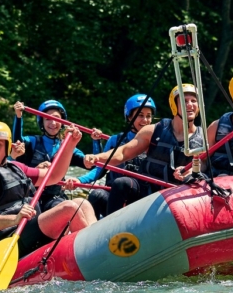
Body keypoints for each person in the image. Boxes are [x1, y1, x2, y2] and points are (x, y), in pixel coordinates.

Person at [0, 122, 96, 257]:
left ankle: (98, 243)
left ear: (7, 146)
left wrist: (69, 145)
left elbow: (54, 176)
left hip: (28, 227)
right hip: (7, 238)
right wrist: (15, 219)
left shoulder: (16, 168)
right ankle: (92, 253)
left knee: (81, 203)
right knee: (68, 208)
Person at [83, 85, 205, 216]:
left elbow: (204, 165)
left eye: (193, 101)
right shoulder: (153, 130)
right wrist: (98, 158)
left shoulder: (204, 138)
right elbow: (124, 152)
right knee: (121, 183)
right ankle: (111, 225)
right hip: (146, 190)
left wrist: (191, 171)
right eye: (184, 101)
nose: (190, 104)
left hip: (176, 195)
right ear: (174, 105)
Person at [76, 94, 156, 218]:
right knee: (97, 195)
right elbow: (100, 170)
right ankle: (98, 227)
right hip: (115, 197)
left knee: (123, 184)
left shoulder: (156, 143)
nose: (145, 120)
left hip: (141, 198)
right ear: (129, 117)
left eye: (148, 116)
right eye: (140, 115)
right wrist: (79, 180)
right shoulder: (115, 141)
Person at [11, 100, 95, 210]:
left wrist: (79, 180)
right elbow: (17, 143)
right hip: (30, 197)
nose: (53, 123)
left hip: (55, 198)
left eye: (56, 118)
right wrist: (18, 116)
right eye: (48, 119)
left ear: (62, 122)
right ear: (42, 122)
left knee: (73, 206)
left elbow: (94, 166)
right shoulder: (32, 141)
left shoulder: (68, 147)